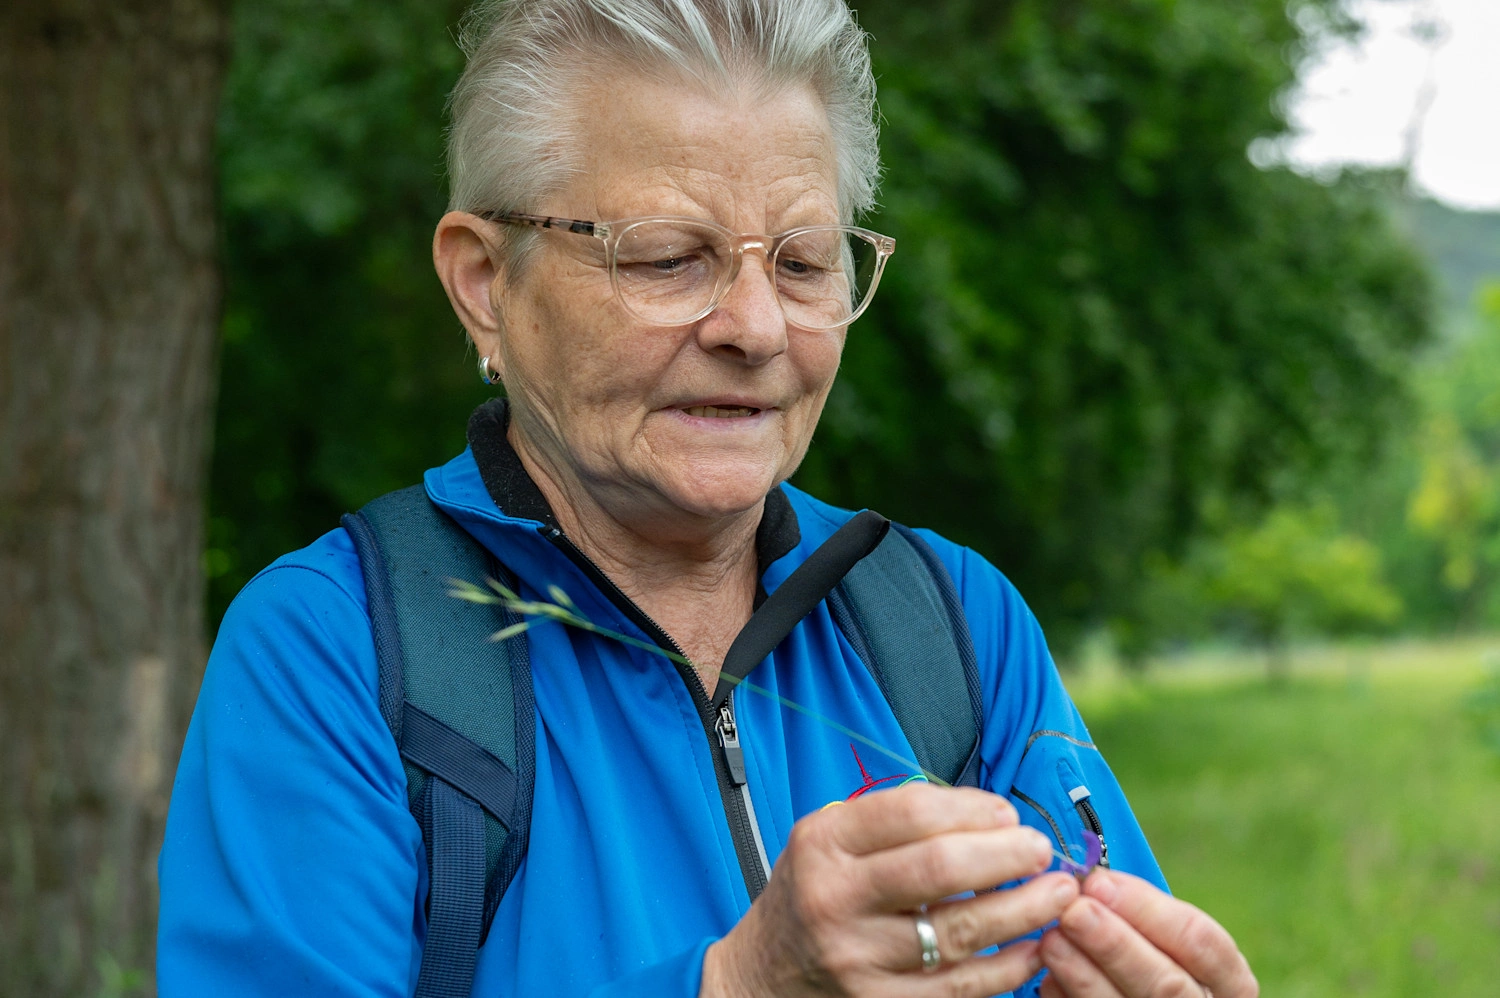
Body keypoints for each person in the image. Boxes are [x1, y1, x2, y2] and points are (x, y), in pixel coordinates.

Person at [157, 1, 1259, 996]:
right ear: (487, 285)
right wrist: (738, 987)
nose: (756, 326)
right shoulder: (332, 648)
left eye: (803, 260)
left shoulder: (957, 624)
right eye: (669, 257)